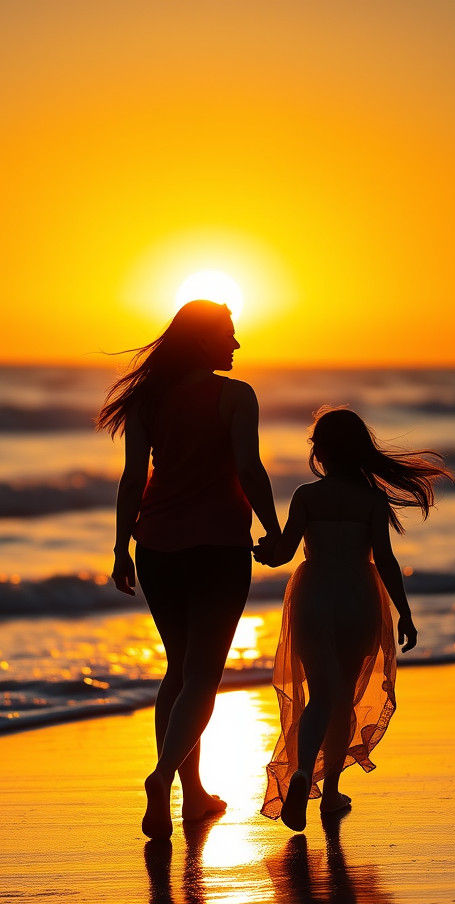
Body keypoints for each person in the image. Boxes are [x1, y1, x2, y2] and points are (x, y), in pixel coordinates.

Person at [97, 299, 281, 840]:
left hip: (157, 547)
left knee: (177, 671)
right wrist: (272, 528)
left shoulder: (148, 400)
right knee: (202, 675)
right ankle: (161, 779)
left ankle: (193, 794)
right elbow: (248, 466)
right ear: (203, 340)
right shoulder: (235, 396)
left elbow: (133, 478)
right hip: (218, 547)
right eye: (228, 332)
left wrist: (118, 548)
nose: (236, 343)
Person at [254, 407, 452, 831]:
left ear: (320, 452)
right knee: (341, 696)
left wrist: (262, 552)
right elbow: (385, 559)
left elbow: (284, 554)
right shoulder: (371, 500)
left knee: (319, 695)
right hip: (359, 598)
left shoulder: (307, 496)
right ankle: (331, 794)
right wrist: (405, 613)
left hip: (314, 595)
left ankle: (303, 773)